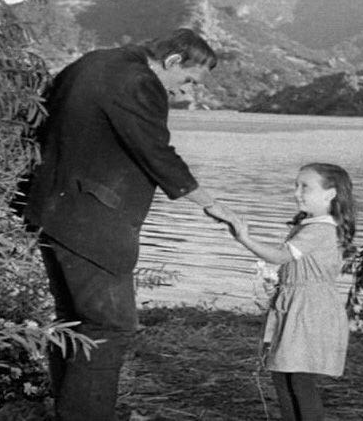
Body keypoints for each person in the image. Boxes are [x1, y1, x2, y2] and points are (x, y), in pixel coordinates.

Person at [22, 28, 237, 420]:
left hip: (50, 210)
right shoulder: (140, 81)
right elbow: (155, 151)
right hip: (93, 221)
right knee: (111, 324)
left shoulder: (92, 62)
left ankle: (67, 410)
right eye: (188, 79)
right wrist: (212, 204)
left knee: (73, 319)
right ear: (172, 60)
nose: (185, 91)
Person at [229, 163, 355, 421]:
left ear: (330, 194)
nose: (296, 192)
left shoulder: (321, 229)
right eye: (295, 186)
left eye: (304, 187)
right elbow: (296, 266)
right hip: (298, 304)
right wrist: (279, 281)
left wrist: (245, 238)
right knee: (283, 375)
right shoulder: (310, 224)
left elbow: (280, 255)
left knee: (298, 379)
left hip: (310, 309)